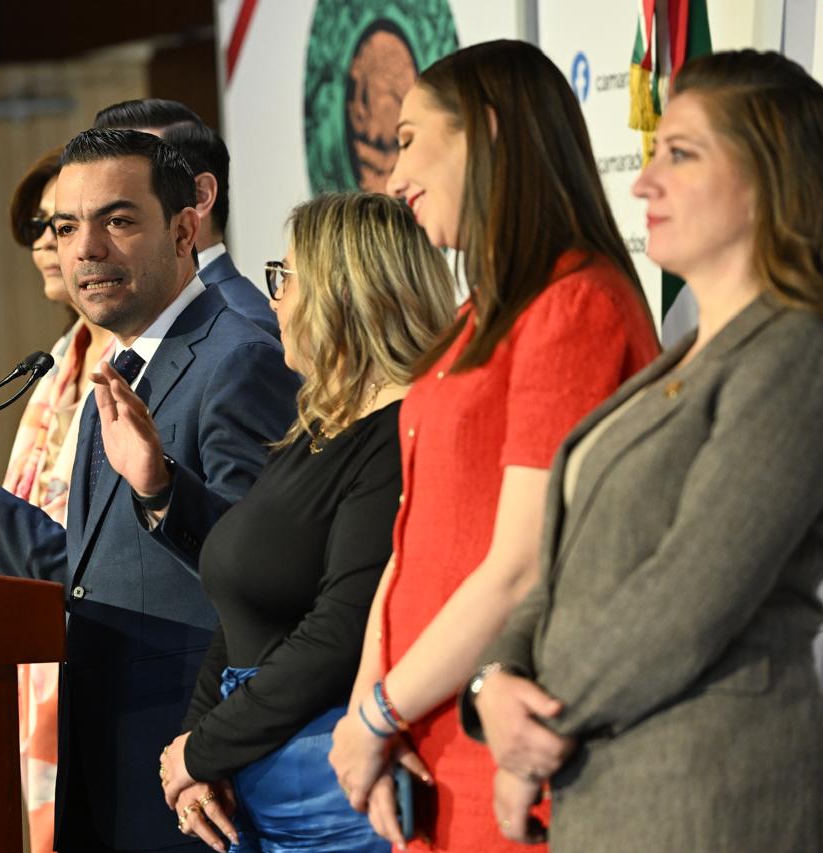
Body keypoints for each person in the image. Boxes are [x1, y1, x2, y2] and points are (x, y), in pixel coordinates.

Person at [467, 49, 823, 852]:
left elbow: (686, 602)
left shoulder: (801, 356)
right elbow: (567, 570)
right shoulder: (687, 357)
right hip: (618, 793)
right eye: (653, 153)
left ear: (770, 177)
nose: (643, 183)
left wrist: (530, 724)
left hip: (719, 803)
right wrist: (496, 679)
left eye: (681, 154)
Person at [0, 129, 299, 852]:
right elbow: (96, 572)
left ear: (184, 230)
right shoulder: (121, 364)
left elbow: (261, 578)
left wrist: (161, 488)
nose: (86, 249)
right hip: (104, 751)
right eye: (66, 228)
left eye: (117, 221)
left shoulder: (239, 357)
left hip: (193, 770)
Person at [326, 40, 661, 852]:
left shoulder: (575, 304)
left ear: (486, 130)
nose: (393, 176)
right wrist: (371, 706)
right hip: (425, 741)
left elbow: (520, 565)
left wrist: (379, 712)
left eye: (410, 140)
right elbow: (412, 542)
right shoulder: (475, 319)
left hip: (503, 752)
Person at [148, 193, 455, 852]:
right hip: (258, 777)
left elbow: (339, 634)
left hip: (330, 796)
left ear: (343, 294)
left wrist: (203, 749)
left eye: (284, 277)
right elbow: (237, 605)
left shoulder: (402, 435)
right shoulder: (315, 429)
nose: (276, 301)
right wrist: (196, 753)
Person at [4, 144, 115, 853]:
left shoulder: (135, 358)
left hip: (108, 654)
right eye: (42, 228)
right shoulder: (55, 363)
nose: (47, 243)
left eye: (63, 225)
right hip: (39, 653)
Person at [94, 98, 278, 338]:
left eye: (120, 215)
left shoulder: (245, 327)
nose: (89, 246)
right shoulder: (135, 315)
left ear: (200, 195)